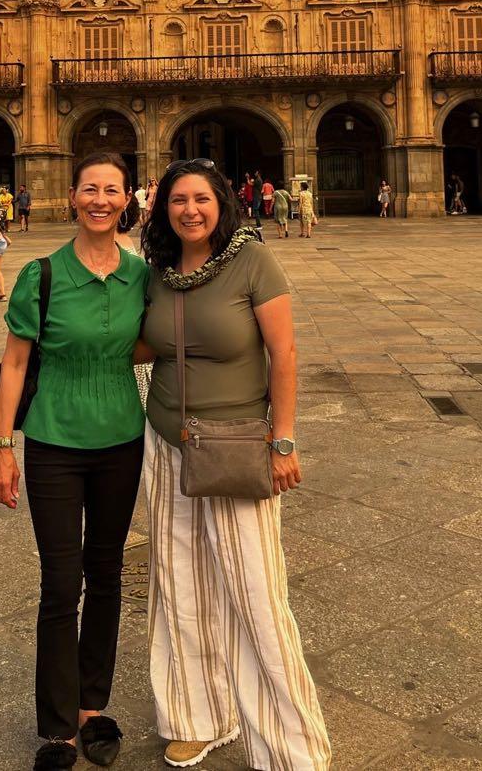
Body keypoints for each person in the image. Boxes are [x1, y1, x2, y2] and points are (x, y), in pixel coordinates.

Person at [139, 160, 331, 771]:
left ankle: (289, 744)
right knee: (177, 584)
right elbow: (147, 342)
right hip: (166, 443)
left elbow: (285, 353)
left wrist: (285, 440)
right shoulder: (161, 272)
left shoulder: (252, 260)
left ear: (222, 202)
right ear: (163, 208)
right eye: (177, 201)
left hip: (236, 444)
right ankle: (197, 715)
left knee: (254, 594)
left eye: (200, 199)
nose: (189, 210)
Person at [0, 152, 149, 771]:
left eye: (112, 190)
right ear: (73, 197)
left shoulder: (141, 276)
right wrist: (3, 448)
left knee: (106, 574)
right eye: (90, 189)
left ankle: (91, 706)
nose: (101, 200)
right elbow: (14, 365)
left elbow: (159, 337)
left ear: (127, 198)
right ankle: (56, 728)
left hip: (120, 441)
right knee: (60, 584)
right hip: (54, 443)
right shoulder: (41, 274)